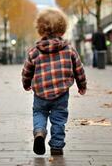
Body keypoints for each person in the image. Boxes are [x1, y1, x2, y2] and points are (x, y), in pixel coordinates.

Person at [22, 8, 87, 156]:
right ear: (62, 29)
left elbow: (27, 70)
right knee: (59, 118)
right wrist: (82, 85)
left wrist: (26, 83)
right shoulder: (69, 50)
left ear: (40, 29)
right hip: (61, 93)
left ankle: (39, 132)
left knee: (39, 112)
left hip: (40, 93)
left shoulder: (34, 51)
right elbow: (79, 69)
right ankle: (57, 146)